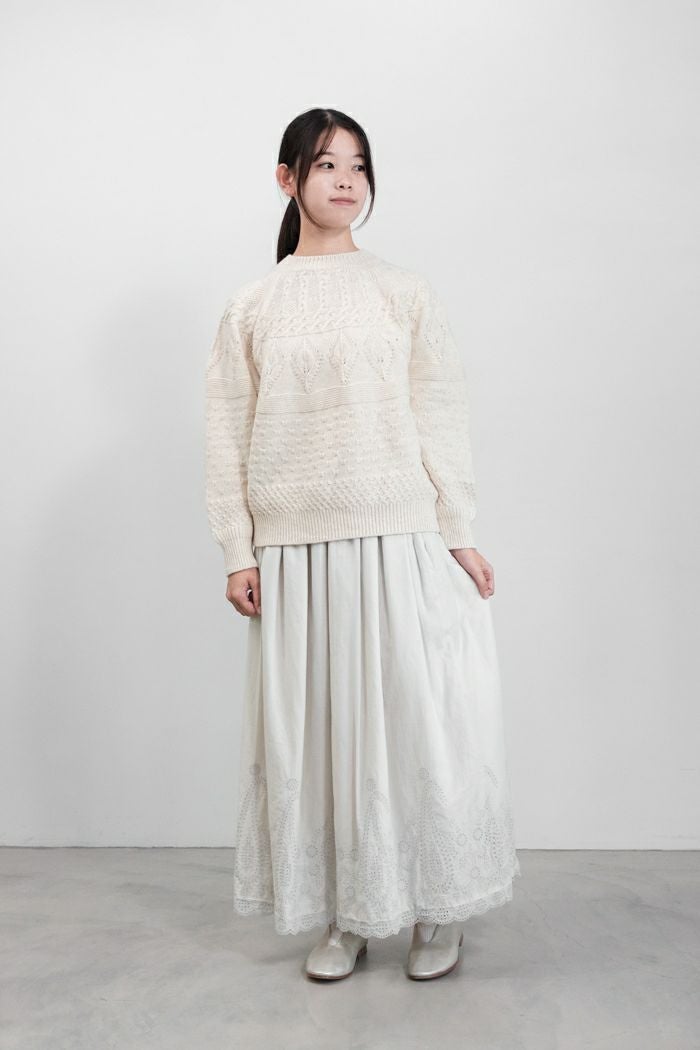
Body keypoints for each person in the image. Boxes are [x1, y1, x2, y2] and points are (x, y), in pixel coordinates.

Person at [205, 107, 520, 982]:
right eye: (326, 164)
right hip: (295, 552)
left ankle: (434, 908)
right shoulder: (253, 305)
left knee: (415, 726)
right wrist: (238, 548)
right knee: (322, 741)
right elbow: (227, 429)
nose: (346, 180)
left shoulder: (402, 291)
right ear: (286, 179)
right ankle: (346, 913)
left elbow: (439, 412)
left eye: (359, 165)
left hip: (396, 534)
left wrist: (458, 532)